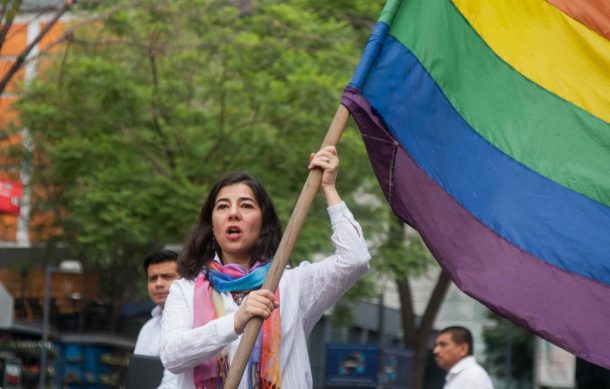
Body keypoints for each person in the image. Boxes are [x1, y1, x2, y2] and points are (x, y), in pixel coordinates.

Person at [160, 146, 371, 388]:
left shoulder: (291, 284)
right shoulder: (185, 290)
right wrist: (235, 322)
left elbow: (355, 259)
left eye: (246, 206)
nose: (234, 213)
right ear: (212, 224)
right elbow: (171, 356)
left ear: (263, 222)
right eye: (222, 206)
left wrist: (329, 189)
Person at [134, 249, 182, 388]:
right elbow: (139, 374)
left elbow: (175, 382)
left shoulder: (193, 322)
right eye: (153, 278)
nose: (158, 283)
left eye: (167, 276)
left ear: (184, 280)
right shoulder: (148, 327)